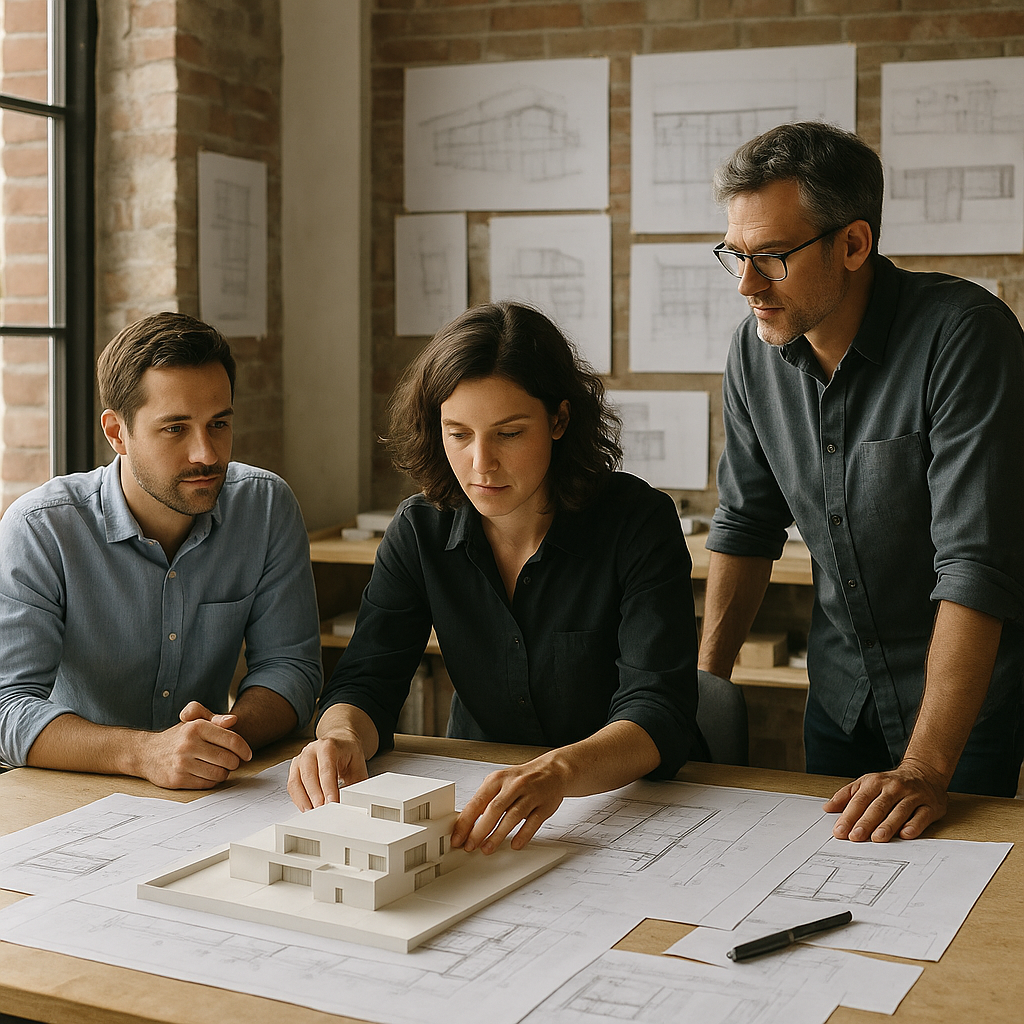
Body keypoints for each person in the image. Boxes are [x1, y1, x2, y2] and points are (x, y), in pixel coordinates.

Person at [700, 121, 1024, 843]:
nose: (748, 286)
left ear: (853, 243)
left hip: (958, 721)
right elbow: (746, 526)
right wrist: (700, 694)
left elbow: (975, 567)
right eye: (737, 256)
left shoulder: (965, 336)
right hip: (840, 699)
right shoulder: (754, 354)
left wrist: (925, 768)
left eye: (773, 258)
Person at [288, 302, 700, 853]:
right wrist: (338, 736)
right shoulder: (419, 529)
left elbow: (659, 709)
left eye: (508, 434)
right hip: (478, 799)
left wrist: (558, 772)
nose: (481, 464)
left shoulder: (637, 522)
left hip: (630, 807)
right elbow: (366, 682)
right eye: (458, 434)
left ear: (558, 420)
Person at [0, 312, 322, 788]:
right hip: (71, 790)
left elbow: (291, 667)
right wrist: (144, 753)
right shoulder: (41, 529)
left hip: (212, 789)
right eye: (175, 428)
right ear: (117, 433)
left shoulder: (265, 507)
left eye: (219, 424)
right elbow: (9, 707)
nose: (207, 454)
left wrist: (223, 737)